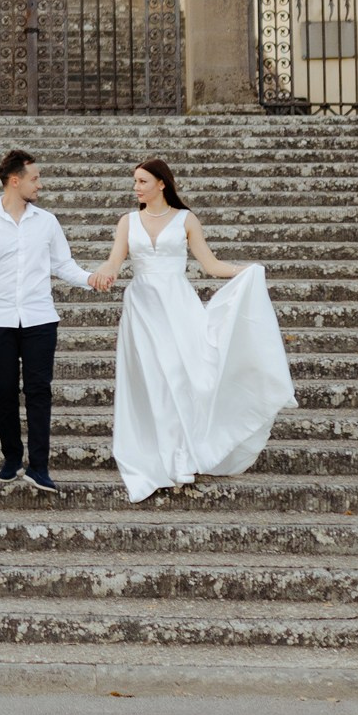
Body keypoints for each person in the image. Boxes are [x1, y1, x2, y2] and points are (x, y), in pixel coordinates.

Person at [88, 158, 295, 501]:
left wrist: (246, 271)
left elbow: (210, 265)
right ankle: (163, 455)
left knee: (182, 378)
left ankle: (182, 455)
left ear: (161, 184)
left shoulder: (186, 220)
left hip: (177, 306)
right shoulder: (128, 222)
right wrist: (103, 272)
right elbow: (114, 260)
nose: (136, 187)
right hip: (141, 308)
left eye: (142, 181)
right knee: (154, 380)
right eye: (135, 181)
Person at [0, 149, 93, 493]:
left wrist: (91, 278)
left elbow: (63, 264)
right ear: (15, 181)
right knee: (3, 391)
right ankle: (12, 458)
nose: (39, 185)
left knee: (39, 391)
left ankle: (39, 467)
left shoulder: (46, 222)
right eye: (35, 178)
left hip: (40, 319)